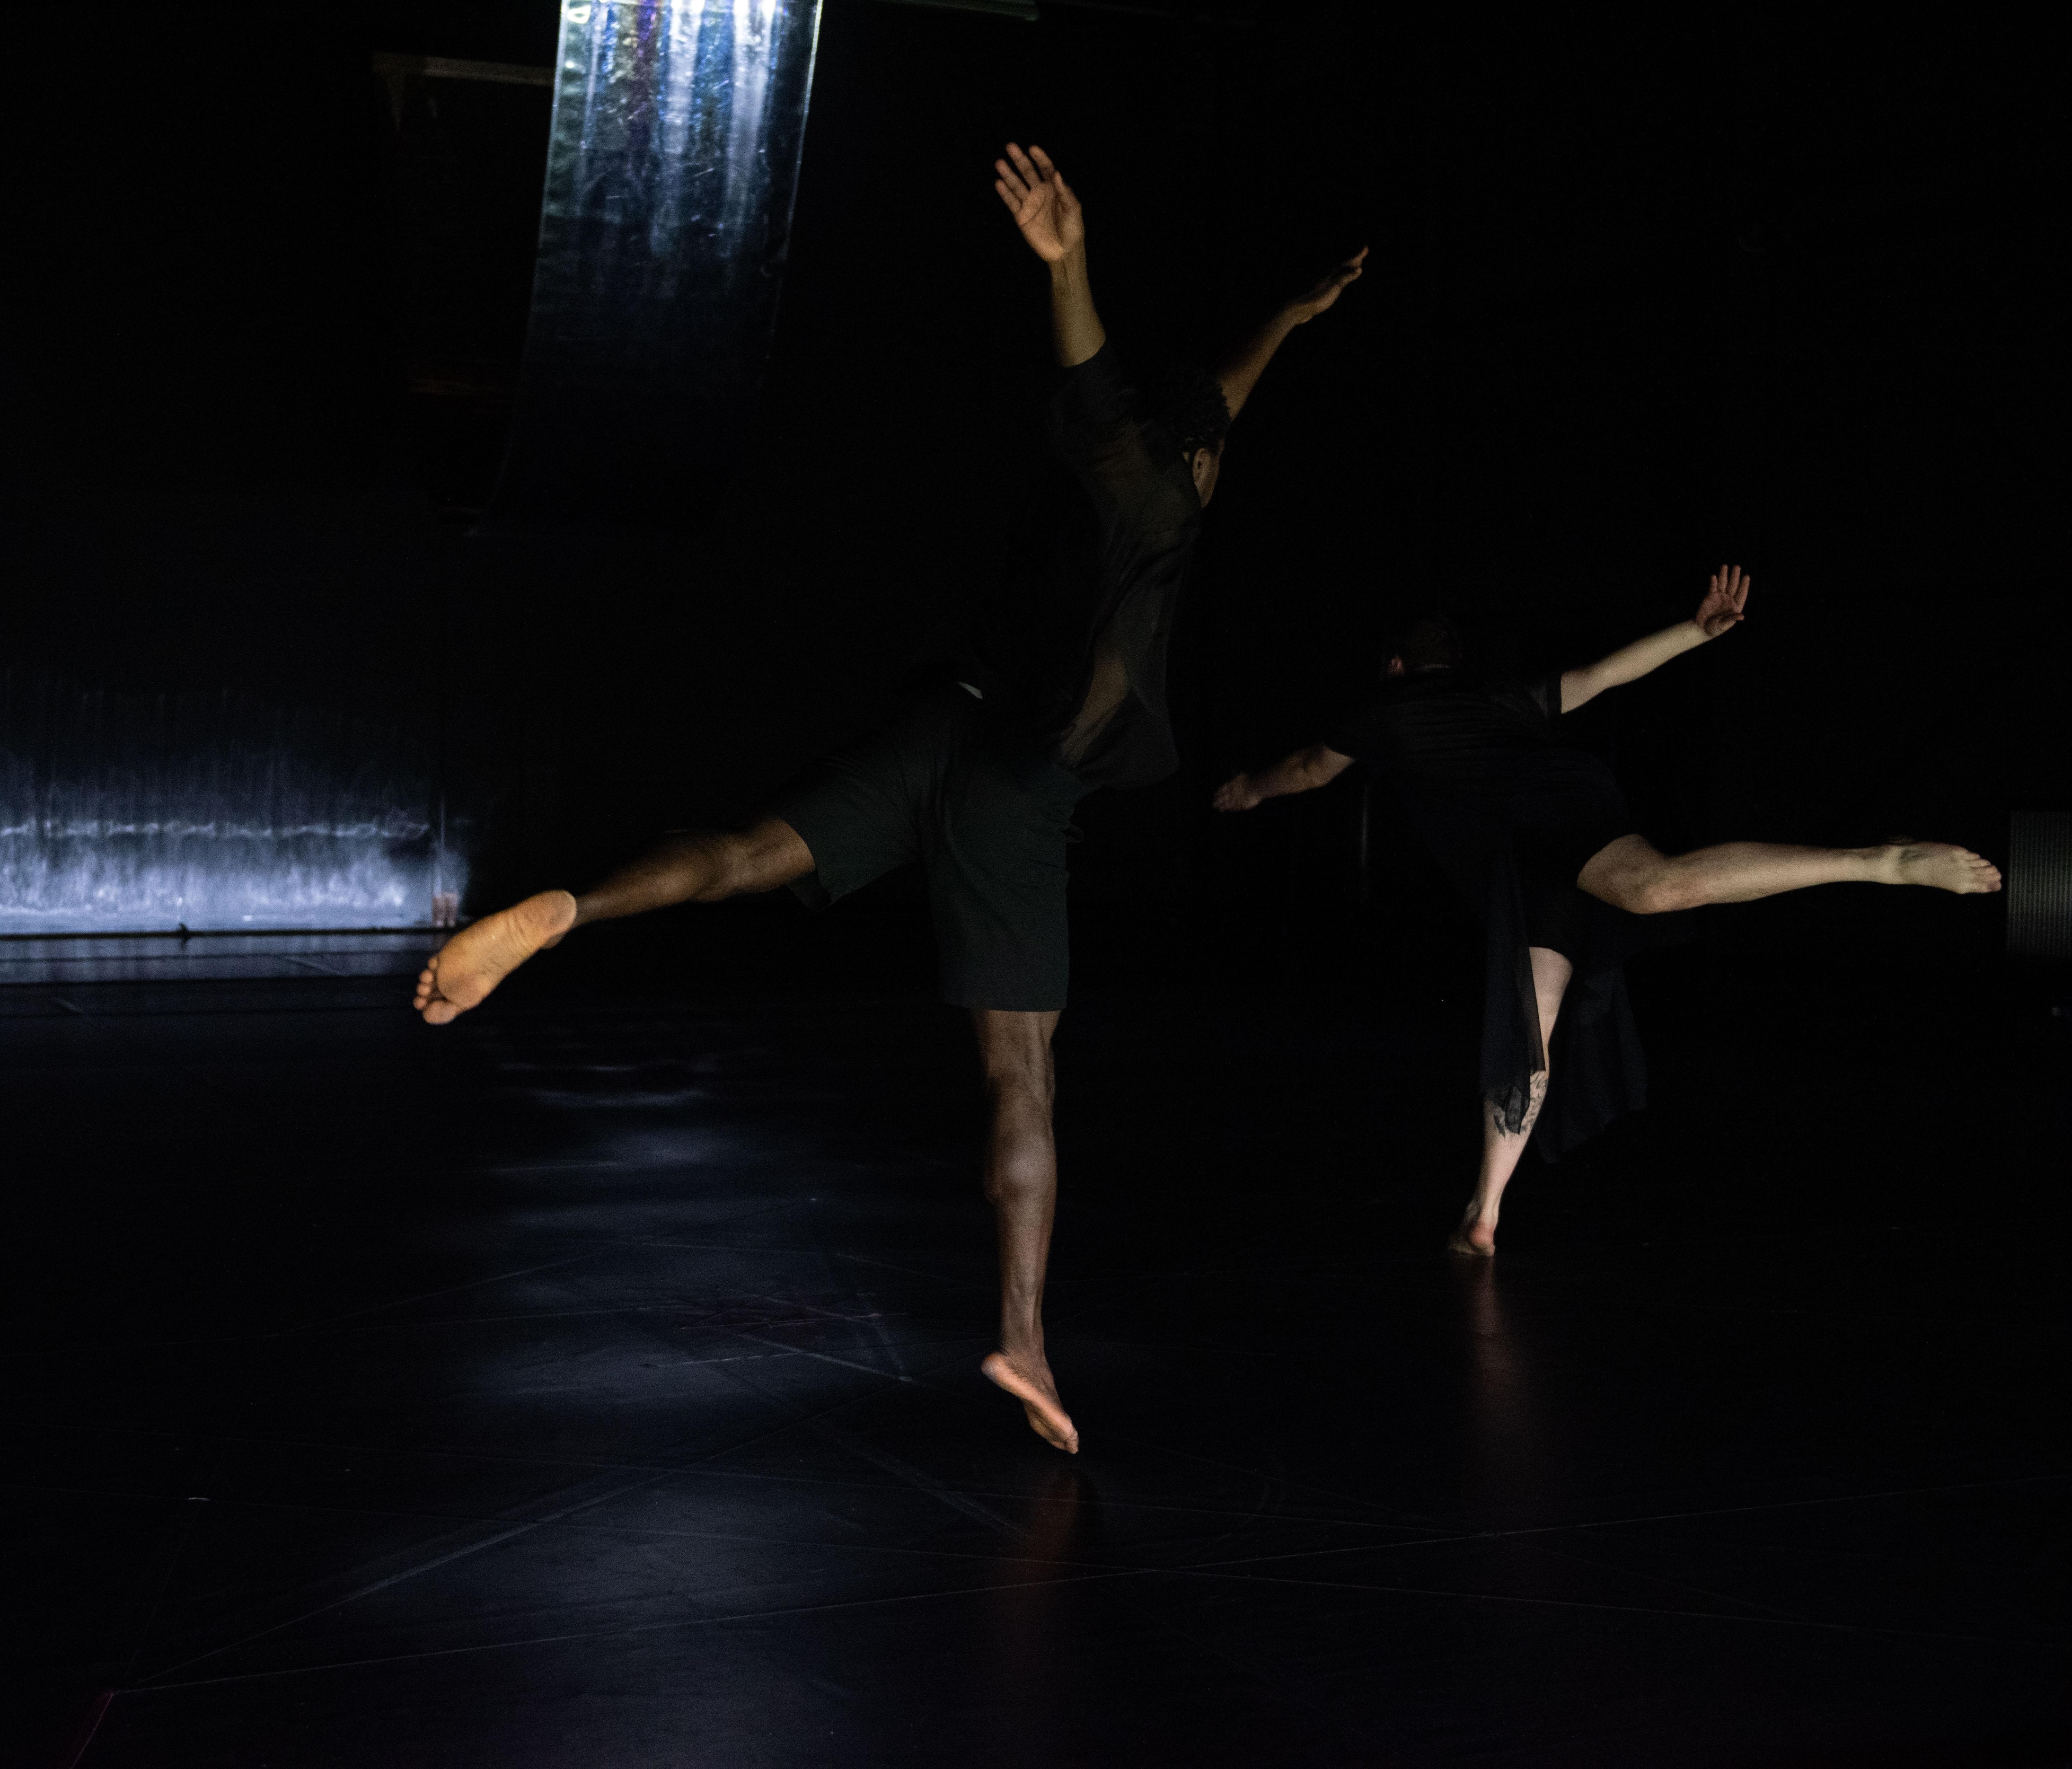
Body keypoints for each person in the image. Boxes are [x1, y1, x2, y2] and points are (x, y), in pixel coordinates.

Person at [412, 144, 1366, 1453]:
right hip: (1018, 785)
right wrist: (1067, 263)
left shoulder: (1156, 462)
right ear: (1200, 465)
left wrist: (1292, 316)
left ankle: (570, 908)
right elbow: (1098, 389)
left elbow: (1218, 388)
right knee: (1021, 1074)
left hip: (941, 722)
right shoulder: (1155, 489)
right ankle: (1024, 1338)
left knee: (747, 851)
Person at [1213, 568, 2002, 1256]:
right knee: (1531, 1024)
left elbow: (1311, 768)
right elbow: (1597, 676)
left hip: (1549, 818)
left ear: (1394, 666)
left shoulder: (1385, 708)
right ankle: (1481, 1215)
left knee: (1652, 888)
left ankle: (1880, 861)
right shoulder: (1494, 697)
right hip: (1531, 863)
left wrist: (1245, 789)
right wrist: (1694, 632)